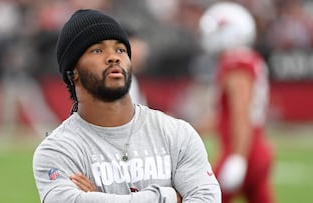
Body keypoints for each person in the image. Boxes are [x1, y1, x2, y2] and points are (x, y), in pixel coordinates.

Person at [33, 9, 221, 203]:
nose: (113, 57)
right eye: (97, 50)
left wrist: (101, 198)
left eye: (121, 50)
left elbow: (207, 198)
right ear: (73, 72)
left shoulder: (176, 133)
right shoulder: (58, 150)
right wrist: (169, 196)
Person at [197, 2, 274, 203]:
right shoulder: (247, 59)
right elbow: (225, 115)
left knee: (203, 198)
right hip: (255, 148)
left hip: (244, 150)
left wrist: (238, 157)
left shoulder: (236, 63)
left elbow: (241, 112)